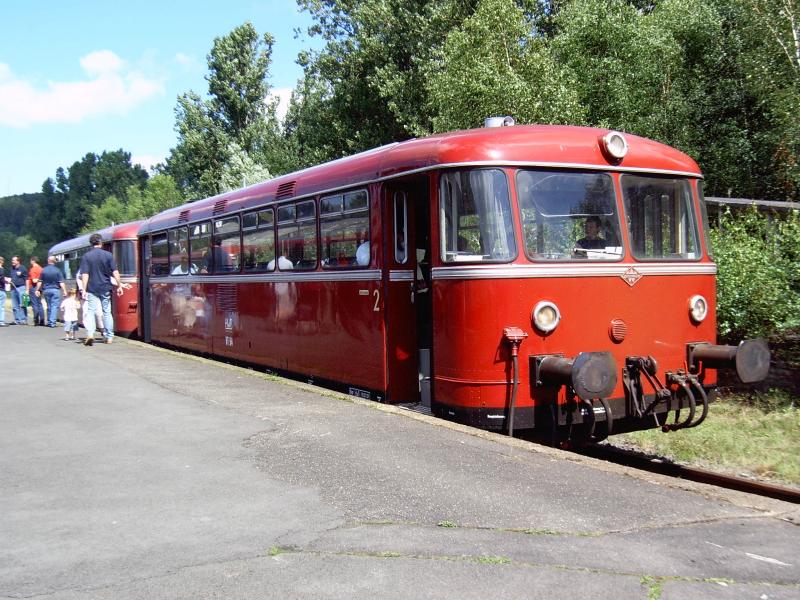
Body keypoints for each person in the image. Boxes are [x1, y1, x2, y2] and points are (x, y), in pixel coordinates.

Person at [79, 233, 123, 346]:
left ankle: (90, 334)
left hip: (92, 288)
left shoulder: (86, 256)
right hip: (105, 288)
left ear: (91, 244)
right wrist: (119, 285)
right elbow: (115, 272)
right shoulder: (108, 255)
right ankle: (109, 337)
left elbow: (85, 274)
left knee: (90, 311)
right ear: (101, 242)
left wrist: (83, 289)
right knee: (107, 312)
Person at [35, 256, 67, 328]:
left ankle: (49, 321)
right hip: (55, 290)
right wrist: (64, 291)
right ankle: (52, 322)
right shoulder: (57, 270)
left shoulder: (43, 270)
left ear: (48, 261)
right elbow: (61, 282)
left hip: (46, 290)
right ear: (54, 261)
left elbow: (40, 281)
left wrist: (37, 289)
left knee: (49, 306)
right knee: (54, 306)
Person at [9, 256, 28, 325]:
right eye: (12, 260)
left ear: (18, 261)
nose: (12, 261)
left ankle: (23, 320)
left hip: (21, 288)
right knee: (15, 306)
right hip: (13, 288)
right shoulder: (11, 269)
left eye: (14, 260)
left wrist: (27, 290)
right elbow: (11, 278)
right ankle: (17, 320)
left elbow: (27, 280)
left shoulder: (23, 268)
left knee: (23, 304)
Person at [27, 256, 45, 326]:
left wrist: (39, 280)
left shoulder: (33, 269)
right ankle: (42, 320)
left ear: (33, 261)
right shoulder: (41, 269)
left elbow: (34, 280)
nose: (30, 262)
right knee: (39, 304)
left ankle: (36, 319)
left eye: (31, 260)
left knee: (34, 304)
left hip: (34, 287)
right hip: (40, 287)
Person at [0, 256, 7, 327]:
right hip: (1, 289)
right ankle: (1, 321)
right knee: (1, 306)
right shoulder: (1, 269)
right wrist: (6, 281)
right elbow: (1, 279)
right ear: (2, 261)